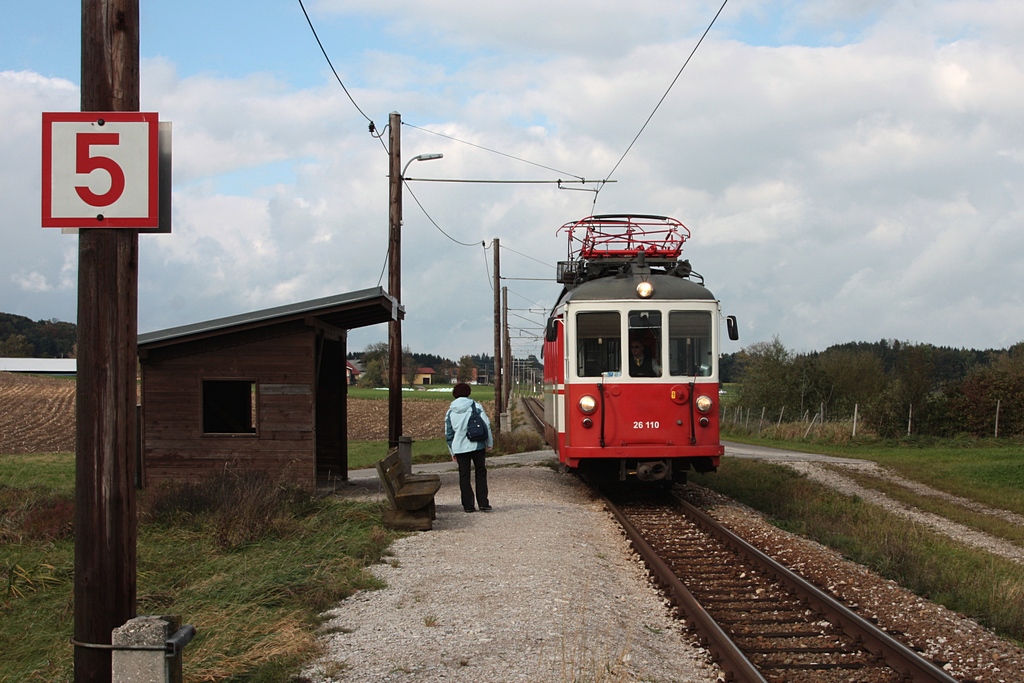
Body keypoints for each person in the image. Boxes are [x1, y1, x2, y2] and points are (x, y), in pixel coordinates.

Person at [444, 382, 493, 512]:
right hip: (477, 445)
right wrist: (489, 443)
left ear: (455, 394)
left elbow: (449, 434)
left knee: (464, 475)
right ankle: (483, 503)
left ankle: (468, 506)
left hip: (459, 448)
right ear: (468, 392)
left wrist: (452, 451)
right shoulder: (476, 406)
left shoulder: (450, 412)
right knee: (480, 473)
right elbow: (486, 425)